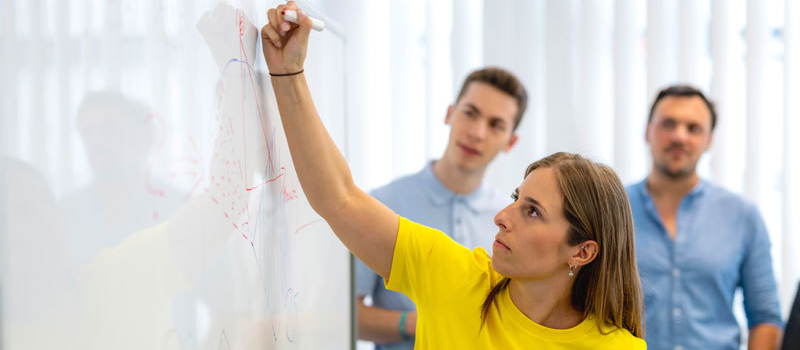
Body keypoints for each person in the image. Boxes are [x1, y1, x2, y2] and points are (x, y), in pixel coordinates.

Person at [260, 3, 646, 348]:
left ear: (582, 252)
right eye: (516, 198)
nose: (502, 216)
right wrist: (289, 73)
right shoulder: (454, 278)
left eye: (532, 211)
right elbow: (339, 198)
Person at [354, 66, 526, 349]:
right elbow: (346, 314)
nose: (477, 133)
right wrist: (417, 323)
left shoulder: (511, 219)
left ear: (511, 141)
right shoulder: (382, 204)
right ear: (450, 114)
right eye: (470, 113)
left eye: (496, 125)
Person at [627, 85, 784, 350]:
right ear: (647, 131)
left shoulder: (743, 216)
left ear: (709, 140)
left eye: (693, 128)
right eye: (668, 124)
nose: (679, 137)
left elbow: (765, 317)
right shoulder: (610, 210)